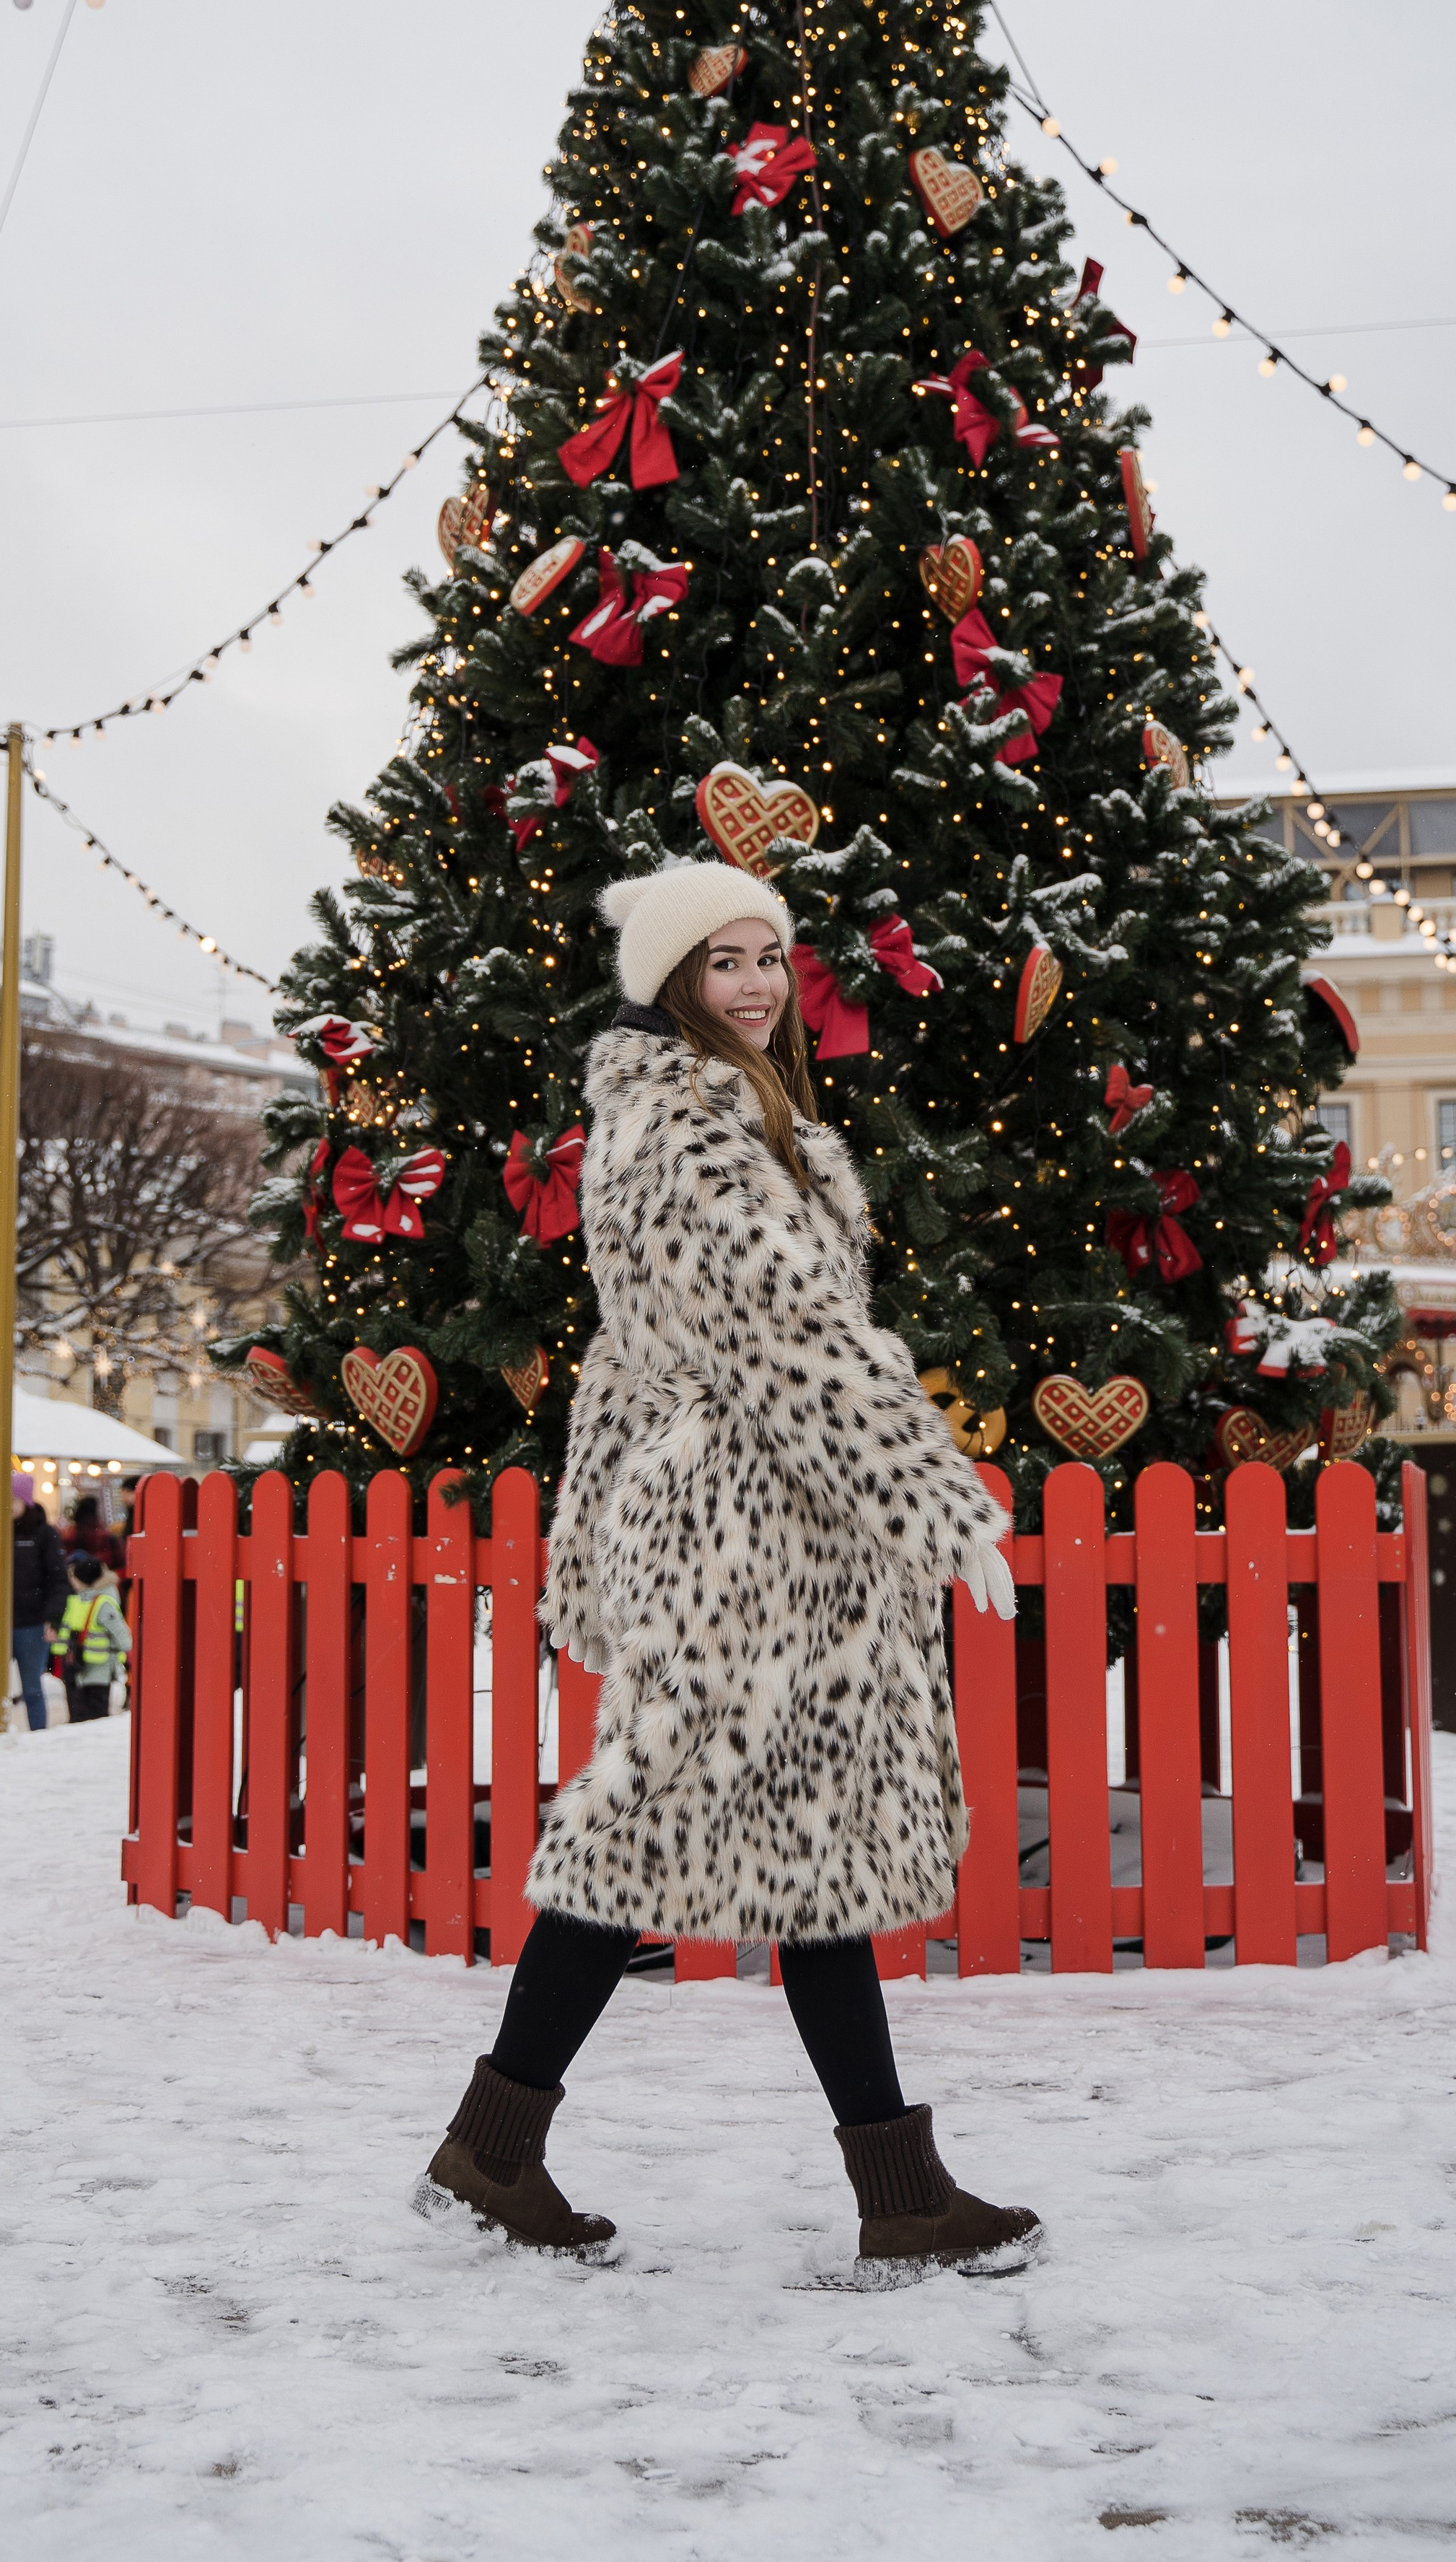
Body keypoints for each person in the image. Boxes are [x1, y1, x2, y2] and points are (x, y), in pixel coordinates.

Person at [417, 862, 1038, 2279]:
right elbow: (790, 1349)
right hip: (739, 1556)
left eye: (770, 956)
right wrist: (931, 1501)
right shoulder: (690, 1139)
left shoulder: (750, 1118)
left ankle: (870, 2189)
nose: (757, 983)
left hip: (760, 1544)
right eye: (723, 962)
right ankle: (510, 2150)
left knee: (767, 1851)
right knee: (664, 1841)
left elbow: (650, 1373)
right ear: (672, 979)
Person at [0, 1472, 69, 1737]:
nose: (9, 1504)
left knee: (32, 1688)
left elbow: (58, 1581)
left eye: (15, 1499)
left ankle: (39, 1736)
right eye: (5, 1499)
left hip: (31, 1625)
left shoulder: (44, 1534)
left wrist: (53, 1619)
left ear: (26, 1501)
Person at [58, 1552, 131, 1721]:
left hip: (100, 1666)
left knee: (96, 1710)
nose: (72, 1582)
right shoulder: (79, 1600)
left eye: (75, 1578)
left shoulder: (103, 1603)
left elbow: (121, 1632)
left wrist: (128, 1656)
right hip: (81, 1665)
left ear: (83, 1581)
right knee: (82, 1710)